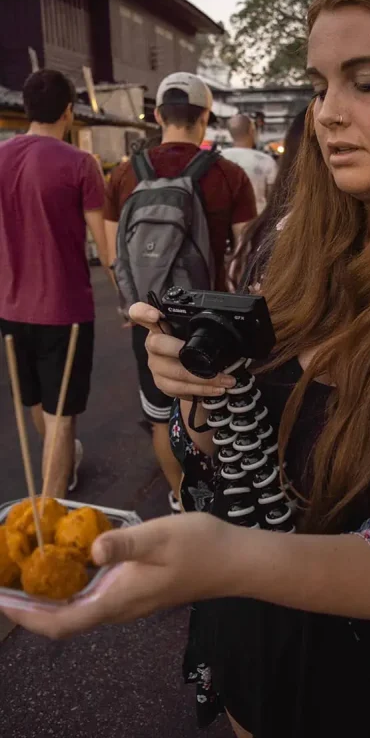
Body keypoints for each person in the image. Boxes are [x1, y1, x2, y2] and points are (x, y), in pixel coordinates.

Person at [5, 0, 370, 738]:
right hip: (257, 660)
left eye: (368, 81)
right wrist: (198, 394)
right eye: (320, 86)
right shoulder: (289, 248)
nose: (327, 115)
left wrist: (230, 560)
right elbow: (222, 453)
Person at [104, 73, 256, 513]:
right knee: (218, 412)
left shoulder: (125, 173)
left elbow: (118, 258)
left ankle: (179, 501)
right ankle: (223, 507)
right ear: (205, 117)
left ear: (157, 115)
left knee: (158, 414)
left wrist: (138, 309)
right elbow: (246, 256)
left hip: (149, 318)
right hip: (215, 322)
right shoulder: (228, 174)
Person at [0, 70, 108, 497]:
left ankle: (59, 465)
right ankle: (51, 507)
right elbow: (106, 245)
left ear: (25, 110)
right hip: (65, 311)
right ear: (69, 111)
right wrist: (126, 303)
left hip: (9, 308)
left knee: (37, 404)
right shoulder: (80, 163)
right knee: (62, 414)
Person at [228, 108, 307, 290]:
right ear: (251, 131)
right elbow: (276, 193)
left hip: (252, 234)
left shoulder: (220, 161)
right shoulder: (264, 161)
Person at [222, 115, 278, 215]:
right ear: (252, 131)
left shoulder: (218, 158)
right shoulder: (266, 161)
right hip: (256, 222)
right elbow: (273, 198)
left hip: (223, 221)